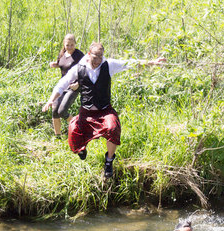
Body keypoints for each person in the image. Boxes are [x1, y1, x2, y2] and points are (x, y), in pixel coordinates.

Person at [42, 42, 165, 178]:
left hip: (104, 110)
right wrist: (51, 100)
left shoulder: (109, 65)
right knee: (73, 132)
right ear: (89, 55)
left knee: (113, 128)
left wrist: (153, 62)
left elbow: (131, 63)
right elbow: (61, 84)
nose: (97, 61)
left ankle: (109, 161)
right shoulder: (79, 68)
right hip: (86, 110)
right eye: (94, 58)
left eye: (100, 58)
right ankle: (82, 150)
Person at [48, 34, 84, 138]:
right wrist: (56, 64)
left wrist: (78, 84)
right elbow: (63, 64)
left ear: (75, 44)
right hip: (63, 85)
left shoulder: (79, 55)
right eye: (67, 45)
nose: (69, 47)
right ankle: (58, 136)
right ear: (64, 44)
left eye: (72, 45)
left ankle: (79, 128)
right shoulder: (62, 53)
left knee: (62, 111)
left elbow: (85, 71)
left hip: (74, 86)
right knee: (55, 110)